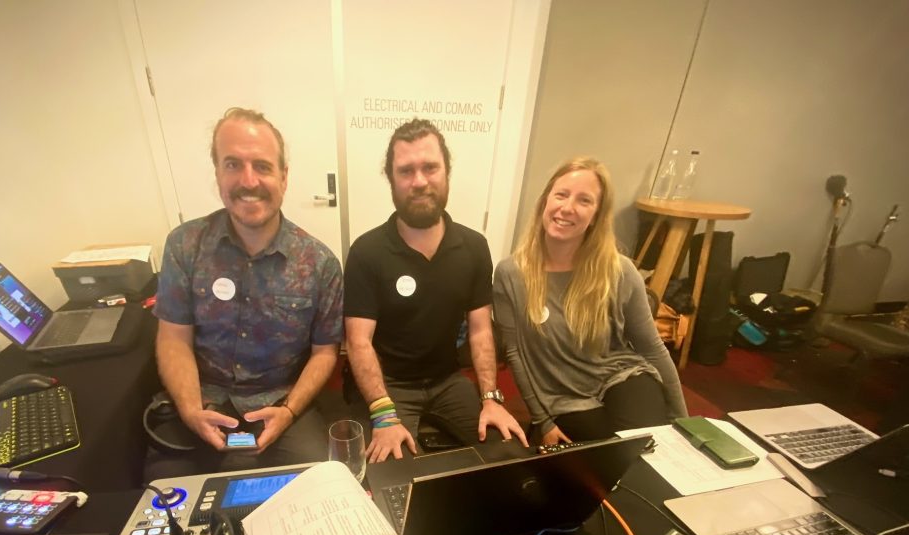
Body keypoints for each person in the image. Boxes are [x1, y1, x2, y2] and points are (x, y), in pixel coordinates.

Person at [149, 107, 343, 477]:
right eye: (233, 164)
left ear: (284, 177)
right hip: (200, 397)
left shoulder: (320, 263)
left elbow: (324, 353)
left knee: (322, 483)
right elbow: (173, 338)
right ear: (218, 173)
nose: (249, 181)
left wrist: (288, 411)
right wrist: (190, 409)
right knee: (164, 496)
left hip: (281, 402)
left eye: (263, 166)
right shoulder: (184, 246)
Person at [344, 118, 527, 463]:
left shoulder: (474, 247)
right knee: (390, 476)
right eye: (406, 171)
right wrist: (384, 416)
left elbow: (480, 330)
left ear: (446, 172)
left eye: (430, 167)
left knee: (511, 454)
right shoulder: (367, 252)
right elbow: (358, 342)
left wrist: (491, 398)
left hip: (447, 382)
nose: (419, 181)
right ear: (391, 179)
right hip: (390, 384)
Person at [493, 156, 688, 444]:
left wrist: (684, 424)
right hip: (562, 397)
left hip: (623, 375)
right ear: (546, 200)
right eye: (561, 195)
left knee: (650, 447)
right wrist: (543, 421)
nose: (568, 208)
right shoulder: (511, 273)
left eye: (584, 200)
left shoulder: (619, 270)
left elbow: (652, 348)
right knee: (606, 460)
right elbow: (515, 355)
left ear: (597, 214)